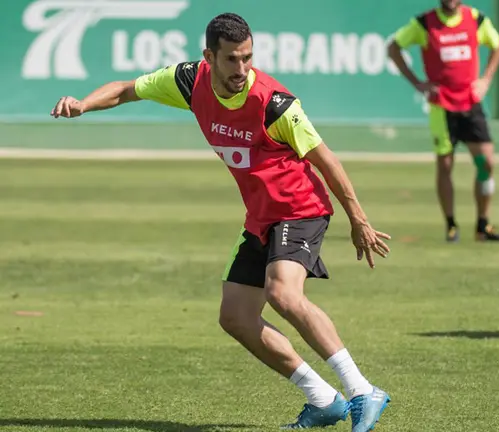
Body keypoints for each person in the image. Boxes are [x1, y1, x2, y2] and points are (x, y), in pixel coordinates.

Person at [50, 13, 391, 431]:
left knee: (283, 293)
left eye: (248, 58)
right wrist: (84, 104)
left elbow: (326, 159)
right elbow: (125, 89)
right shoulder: (189, 81)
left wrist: (359, 219)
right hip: (261, 217)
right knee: (235, 317)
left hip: (300, 208)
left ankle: (361, 390)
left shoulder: (274, 103)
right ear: (209, 56)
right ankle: (323, 400)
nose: (242, 69)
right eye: (232, 60)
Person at [387, 0, 499, 243]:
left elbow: (498, 46)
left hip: (471, 103)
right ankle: (451, 224)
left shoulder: (475, 19)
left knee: (486, 163)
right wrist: (417, 83)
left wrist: (485, 80)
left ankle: (483, 224)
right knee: (445, 165)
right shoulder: (424, 23)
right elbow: (394, 48)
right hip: (441, 107)